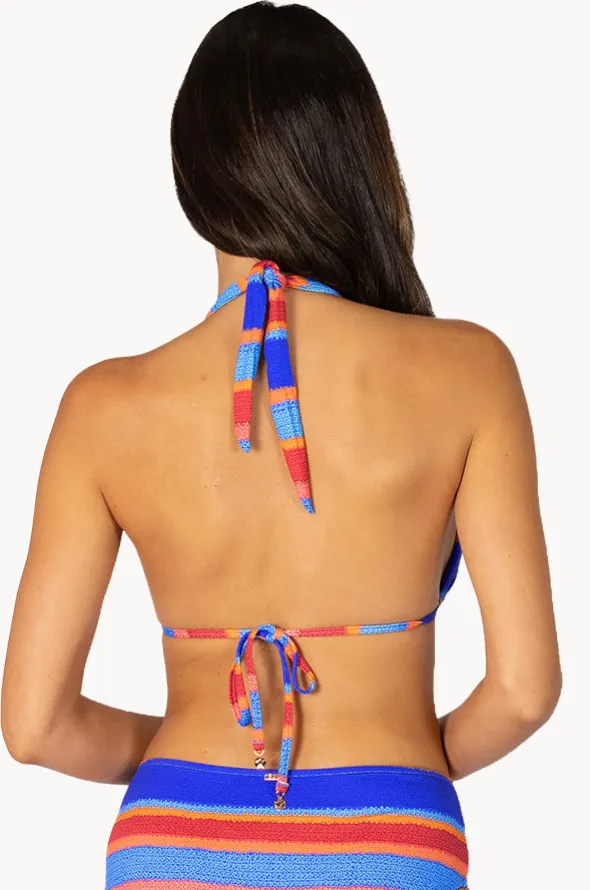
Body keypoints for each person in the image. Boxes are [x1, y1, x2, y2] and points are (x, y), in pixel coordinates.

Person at [1, 3, 561, 889]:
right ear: (358, 161)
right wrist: (415, 761)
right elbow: (526, 690)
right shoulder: (469, 370)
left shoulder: (102, 406)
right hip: (388, 837)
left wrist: (186, 756)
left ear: (191, 176)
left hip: (172, 832)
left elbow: (34, 727)